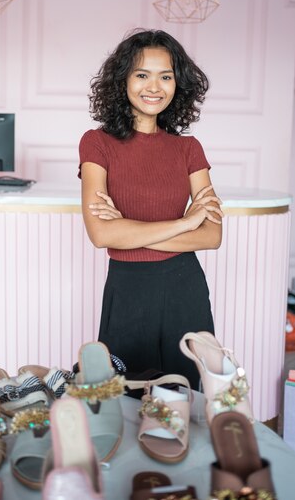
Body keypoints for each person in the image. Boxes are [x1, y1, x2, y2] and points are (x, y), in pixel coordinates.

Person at [78, 29, 223, 390]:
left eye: (166, 76)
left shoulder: (189, 149)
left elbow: (212, 235)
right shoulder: (96, 143)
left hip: (184, 287)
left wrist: (130, 231)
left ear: (178, 84)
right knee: (125, 399)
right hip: (128, 291)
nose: (154, 86)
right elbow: (102, 234)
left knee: (188, 396)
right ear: (123, 79)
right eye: (142, 74)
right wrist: (185, 222)